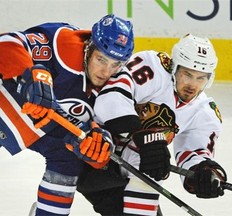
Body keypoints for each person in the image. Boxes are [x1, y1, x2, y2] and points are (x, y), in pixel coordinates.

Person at [76, 34, 228, 215]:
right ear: (174, 67)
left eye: (201, 78)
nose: (192, 85)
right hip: (92, 155)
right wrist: (147, 138)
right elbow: (109, 99)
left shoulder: (204, 111)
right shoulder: (152, 68)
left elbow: (194, 152)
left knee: (153, 163)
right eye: (187, 74)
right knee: (148, 158)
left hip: (136, 170)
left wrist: (204, 172)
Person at [0, 14, 134, 215]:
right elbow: (5, 43)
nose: (106, 71)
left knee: (69, 160)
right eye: (101, 59)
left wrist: (98, 144)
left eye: (116, 64)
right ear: (89, 47)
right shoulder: (62, 42)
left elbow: (105, 130)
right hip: (7, 105)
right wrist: (31, 74)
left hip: (47, 129)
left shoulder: (120, 84)